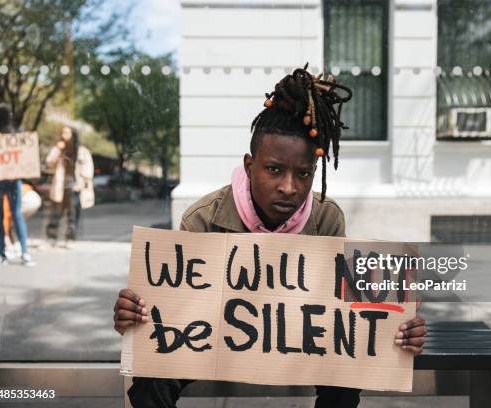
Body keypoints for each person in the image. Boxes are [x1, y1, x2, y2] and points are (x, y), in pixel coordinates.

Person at [113, 65, 427, 408]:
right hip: (215, 342)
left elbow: (349, 316)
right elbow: (173, 313)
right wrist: (137, 317)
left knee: (345, 375)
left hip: (298, 340)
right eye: (274, 169)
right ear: (250, 166)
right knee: (152, 375)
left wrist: (397, 328)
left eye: (303, 174)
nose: (289, 187)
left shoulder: (326, 218)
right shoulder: (203, 218)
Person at [0, 103, 36, 268]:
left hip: (12, 181)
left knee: (17, 214)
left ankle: (24, 251)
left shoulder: (16, 134)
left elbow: (23, 146)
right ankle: (0, 253)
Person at [43, 126, 95, 248]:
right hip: (60, 187)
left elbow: (88, 169)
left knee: (72, 215)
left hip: (75, 188)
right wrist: (57, 148)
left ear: (73, 134)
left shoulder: (82, 151)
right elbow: (49, 163)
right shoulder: (59, 150)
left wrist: (82, 184)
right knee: (55, 214)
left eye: (66, 132)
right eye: (62, 132)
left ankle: (70, 239)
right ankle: (52, 237)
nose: (63, 135)